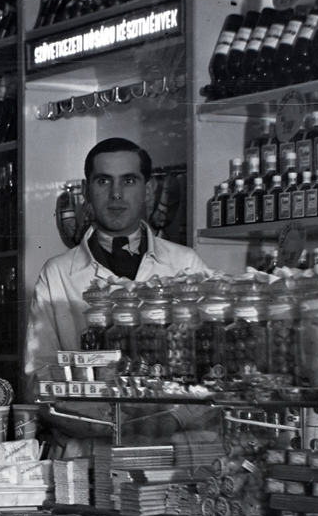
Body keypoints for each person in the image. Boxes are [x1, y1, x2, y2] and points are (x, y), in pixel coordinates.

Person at [24, 137, 214, 450]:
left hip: (173, 454)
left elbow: (215, 370)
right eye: (103, 181)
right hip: (88, 455)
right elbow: (38, 381)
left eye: (128, 180)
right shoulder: (57, 273)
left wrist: (172, 417)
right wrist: (114, 421)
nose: (116, 194)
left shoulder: (186, 265)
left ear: (148, 190)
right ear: (86, 191)